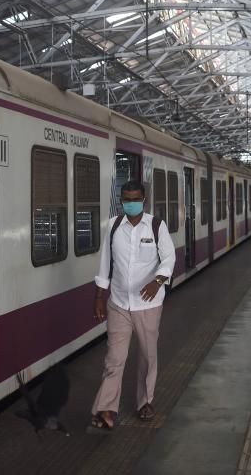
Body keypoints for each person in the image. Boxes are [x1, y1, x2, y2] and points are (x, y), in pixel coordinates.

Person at [89, 180, 175, 431]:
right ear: (122, 201)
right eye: (126, 200)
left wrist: (158, 281)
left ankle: (145, 401)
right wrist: (98, 297)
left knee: (148, 356)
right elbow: (106, 263)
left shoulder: (157, 226)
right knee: (114, 359)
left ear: (144, 199)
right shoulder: (115, 226)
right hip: (118, 303)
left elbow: (169, 258)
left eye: (135, 199)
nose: (131, 203)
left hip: (148, 305)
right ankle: (106, 408)